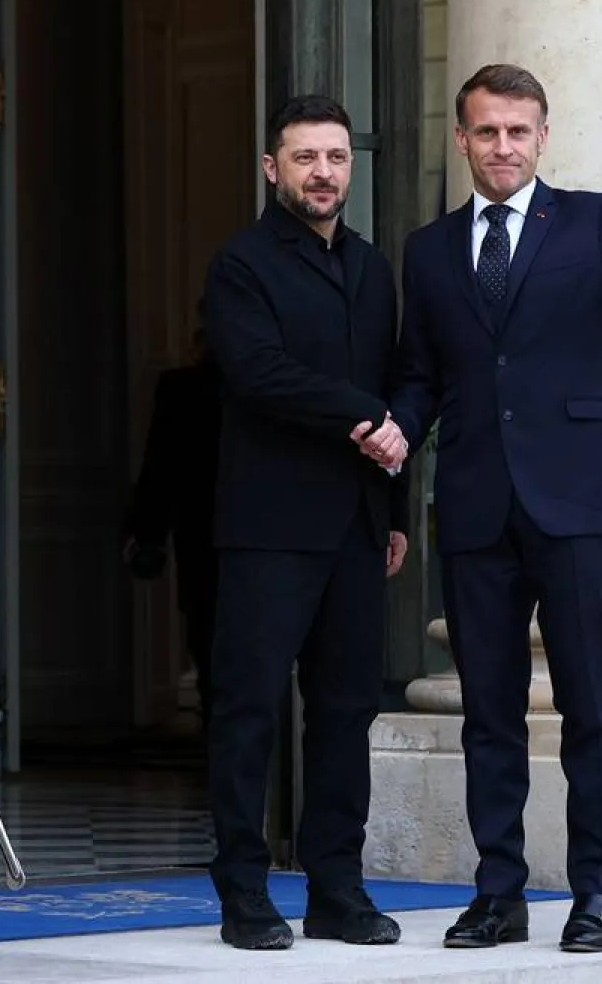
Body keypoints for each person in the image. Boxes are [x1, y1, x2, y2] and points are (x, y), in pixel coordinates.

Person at [365, 63, 602, 954]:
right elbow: (424, 374)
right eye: (486, 131)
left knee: (591, 705)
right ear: (461, 139)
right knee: (487, 710)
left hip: (577, 497)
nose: (502, 147)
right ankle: (497, 894)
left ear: (543, 136)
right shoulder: (429, 248)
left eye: (518, 131)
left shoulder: (597, 219)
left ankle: (594, 894)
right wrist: (397, 429)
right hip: (477, 505)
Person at [200, 94, 410, 951]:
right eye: (304, 157)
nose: (322, 172)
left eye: (335, 157)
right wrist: (363, 415)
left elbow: (396, 384)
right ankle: (243, 891)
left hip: (358, 524)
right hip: (268, 524)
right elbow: (258, 373)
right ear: (271, 167)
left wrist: (393, 511)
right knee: (248, 710)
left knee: (345, 712)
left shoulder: (369, 266)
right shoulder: (241, 264)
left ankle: (337, 887)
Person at [121, 321, 223, 729]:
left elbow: (159, 465)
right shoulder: (183, 388)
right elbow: (160, 465)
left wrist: (146, 532)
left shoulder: (186, 388)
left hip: (208, 530)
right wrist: (146, 532)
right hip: (202, 529)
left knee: (210, 638)